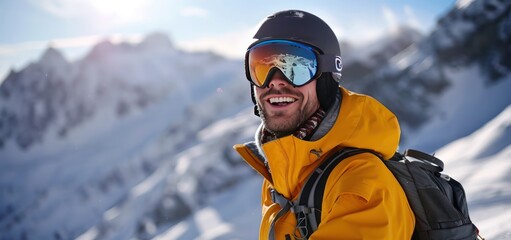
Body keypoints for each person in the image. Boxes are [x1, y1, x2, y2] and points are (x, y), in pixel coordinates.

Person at [233, 9, 415, 239]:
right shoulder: (280, 175)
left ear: (326, 77)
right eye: (261, 67)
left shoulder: (363, 184)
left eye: (296, 68)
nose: (275, 81)